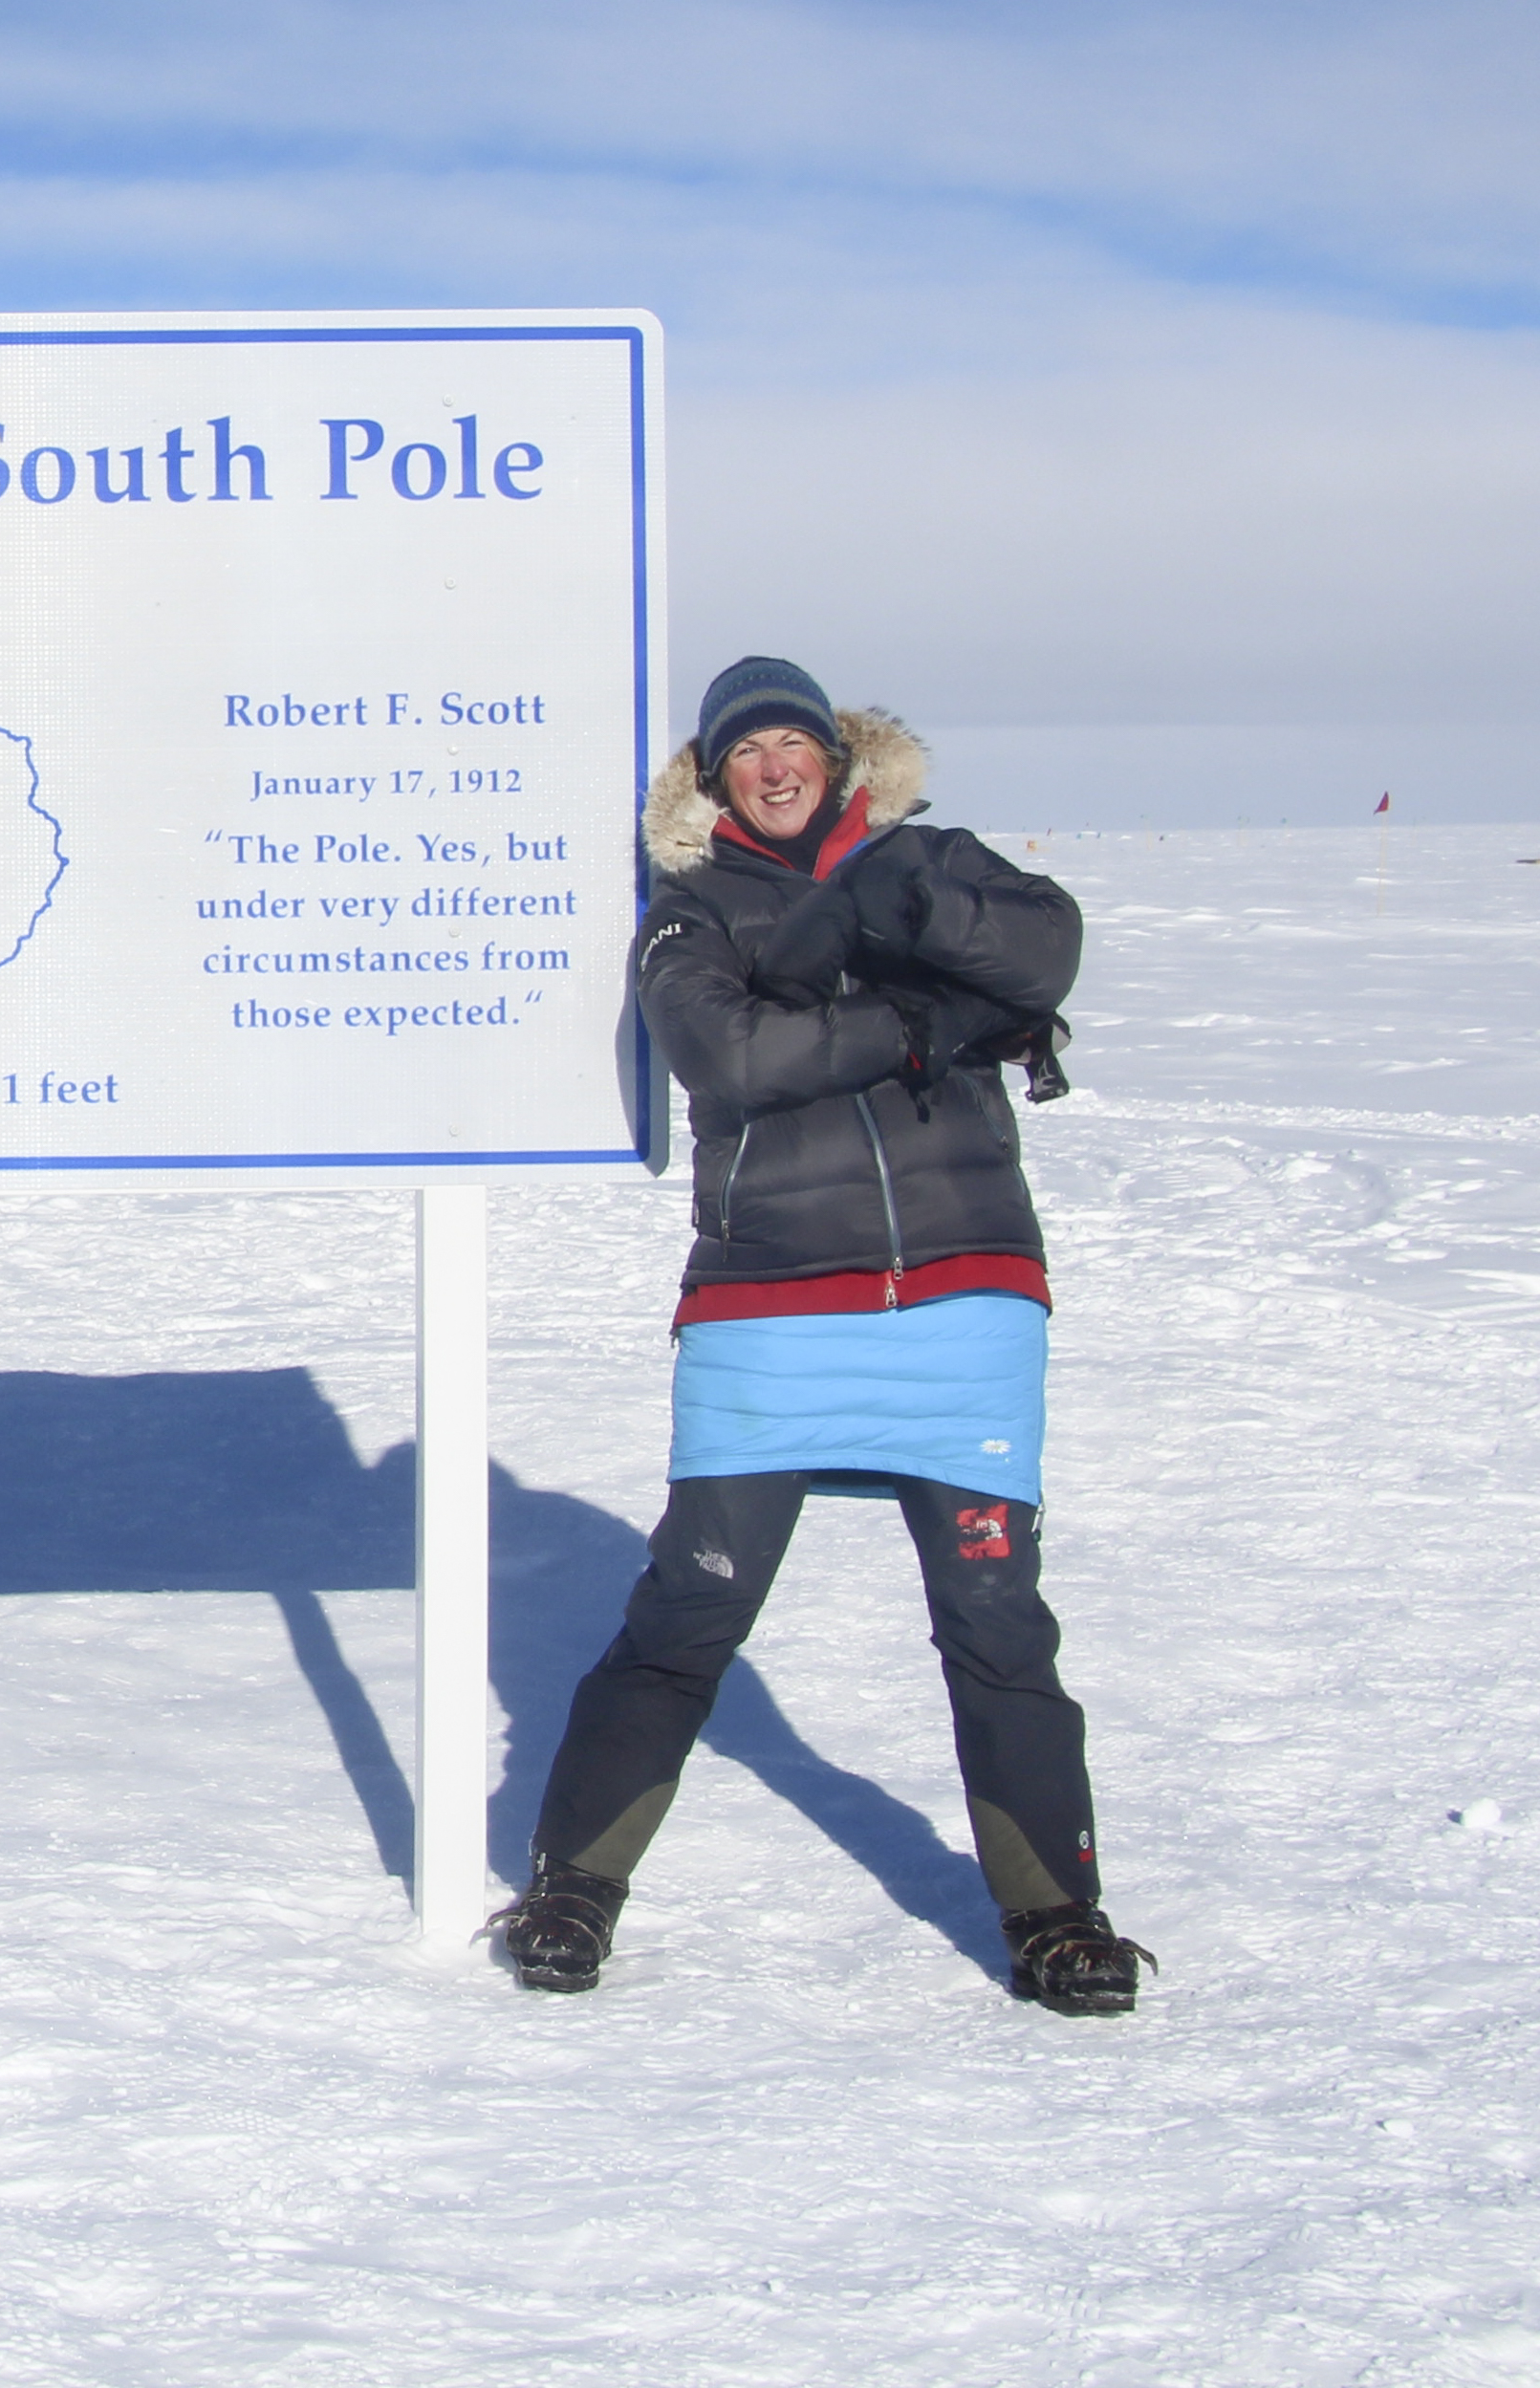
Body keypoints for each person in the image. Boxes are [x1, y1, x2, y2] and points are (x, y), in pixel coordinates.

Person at [490, 656, 1158, 2015]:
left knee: (994, 1616)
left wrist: (905, 909)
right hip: (770, 1304)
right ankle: (571, 1887)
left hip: (967, 1298)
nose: (775, 764)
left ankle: (1057, 1917)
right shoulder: (687, 913)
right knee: (692, 1605)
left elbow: (1042, 950)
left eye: (795, 740)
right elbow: (728, 1061)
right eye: (746, 750)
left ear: (839, 758)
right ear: (713, 775)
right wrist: (923, 1016)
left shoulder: (930, 857)